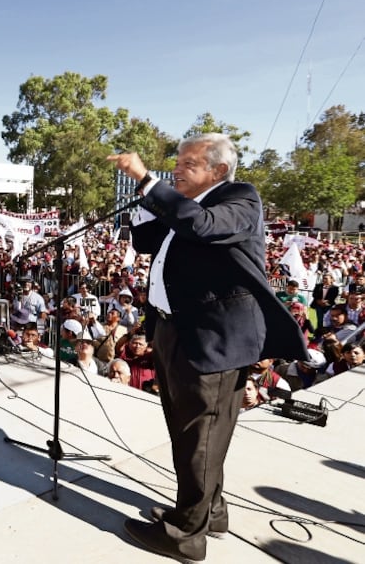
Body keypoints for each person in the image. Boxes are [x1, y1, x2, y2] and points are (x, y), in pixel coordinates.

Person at [109, 134, 307, 562]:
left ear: (217, 170)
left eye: (188, 163)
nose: (176, 169)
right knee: (192, 431)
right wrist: (147, 197)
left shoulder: (239, 198)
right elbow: (145, 242)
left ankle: (186, 534)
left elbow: (201, 226)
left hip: (213, 337)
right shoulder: (184, 205)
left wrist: (147, 181)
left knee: (201, 434)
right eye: (176, 163)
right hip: (173, 329)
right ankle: (208, 511)